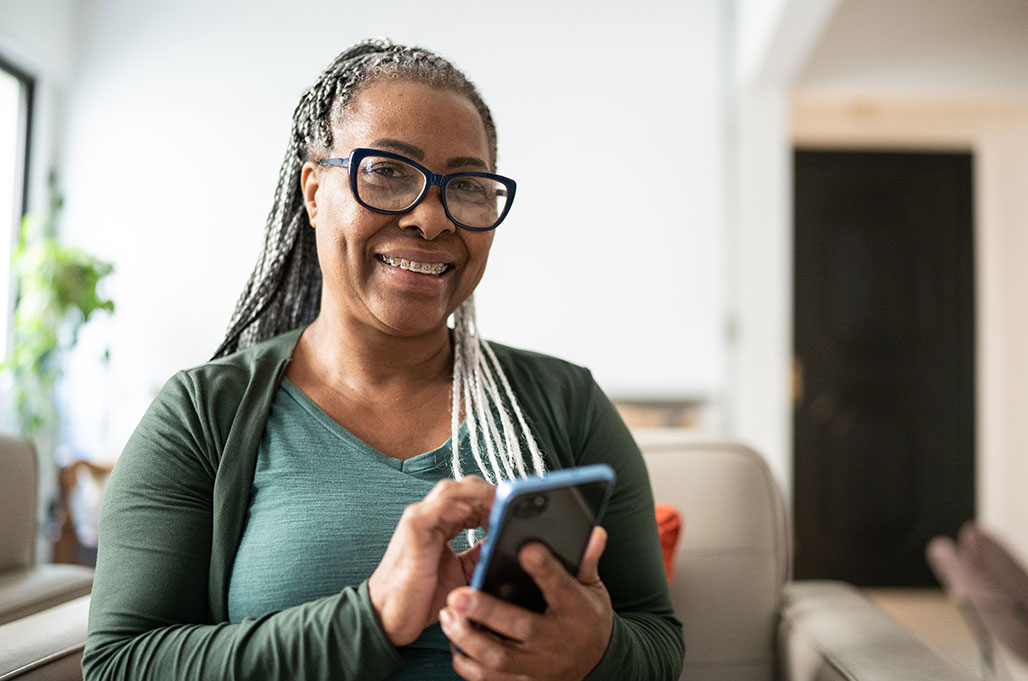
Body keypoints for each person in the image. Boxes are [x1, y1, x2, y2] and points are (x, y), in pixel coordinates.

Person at [83, 40, 684, 681]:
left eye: (469, 187)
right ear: (314, 191)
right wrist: (371, 617)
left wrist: (596, 652)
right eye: (388, 172)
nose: (431, 219)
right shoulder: (202, 413)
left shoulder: (567, 402)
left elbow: (658, 640)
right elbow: (121, 664)